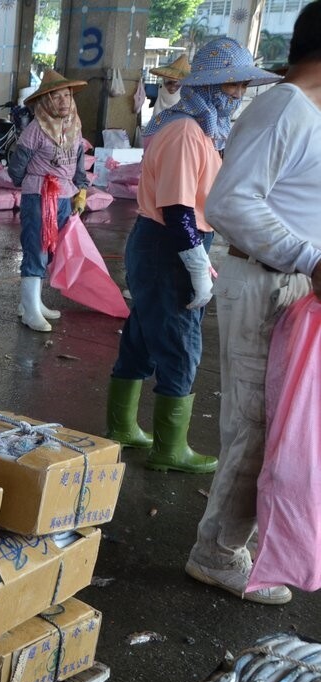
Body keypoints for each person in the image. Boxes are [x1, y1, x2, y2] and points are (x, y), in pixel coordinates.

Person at [183, 8, 321, 605]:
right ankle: (215, 553)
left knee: (282, 423)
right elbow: (231, 202)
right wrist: (310, 258)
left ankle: (245, 535)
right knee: (258, 424)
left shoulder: (307, 112)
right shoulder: (285, 107)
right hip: (266, 279)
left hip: (289, 280)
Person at [106, 38, 278, 485]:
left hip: (160, 243)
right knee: (181, 345)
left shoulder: (196, 129)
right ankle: (169, 448)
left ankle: (123, 426)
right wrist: (198, 265)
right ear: (211, 85)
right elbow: (180, 208)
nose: (238, 94)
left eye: (242, 85)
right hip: (170, 245)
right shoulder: (185, 133)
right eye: (233, 85)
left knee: (143, 336)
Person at [7, 70, 89, 332]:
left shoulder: (74, 126)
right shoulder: (35, 129)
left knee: (54, 250)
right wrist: (33, 183)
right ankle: (30, 311)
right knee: (37, 248)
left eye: (66, 95)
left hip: (65, 196)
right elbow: (17, 166)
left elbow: (78, 164)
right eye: (56, 96)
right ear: (45, 101)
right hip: (40, 195)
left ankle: (31, 303)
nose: (63, 101)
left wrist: (81, 189)